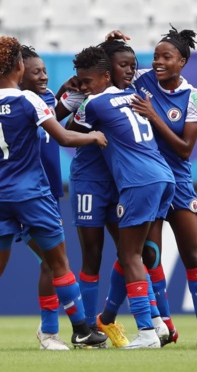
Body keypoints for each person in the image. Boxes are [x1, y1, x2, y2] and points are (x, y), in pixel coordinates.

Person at [0, 36, 108, 349]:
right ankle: (82, 330)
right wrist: (94, 137)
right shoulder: (28, 101)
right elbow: (64, 138)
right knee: (59, 264)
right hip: (31, 193)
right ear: (19, 65)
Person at [72, 46, 175, 349]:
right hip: (160, 176)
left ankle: (146, 330)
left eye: (87, 82)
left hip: (135, 180)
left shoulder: (95, 103)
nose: (83, 88)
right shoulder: (133, 96)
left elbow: (66, 130)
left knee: (129, 254)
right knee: (128, 253)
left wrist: (72, 98)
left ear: (104, 76)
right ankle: (145, 324)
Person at [127, 26, 197, 347]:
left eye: (167, 57)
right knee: (151, 256)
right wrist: (112, 42)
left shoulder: (193, 96)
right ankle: (165, 326)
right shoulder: (140, 78)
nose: (158, 62)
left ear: (182, 61)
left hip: (178, 181)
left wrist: (153, 115)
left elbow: (184, 148)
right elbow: (111, 67)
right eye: (156, 57)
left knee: (192, 253)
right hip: (147, 179)